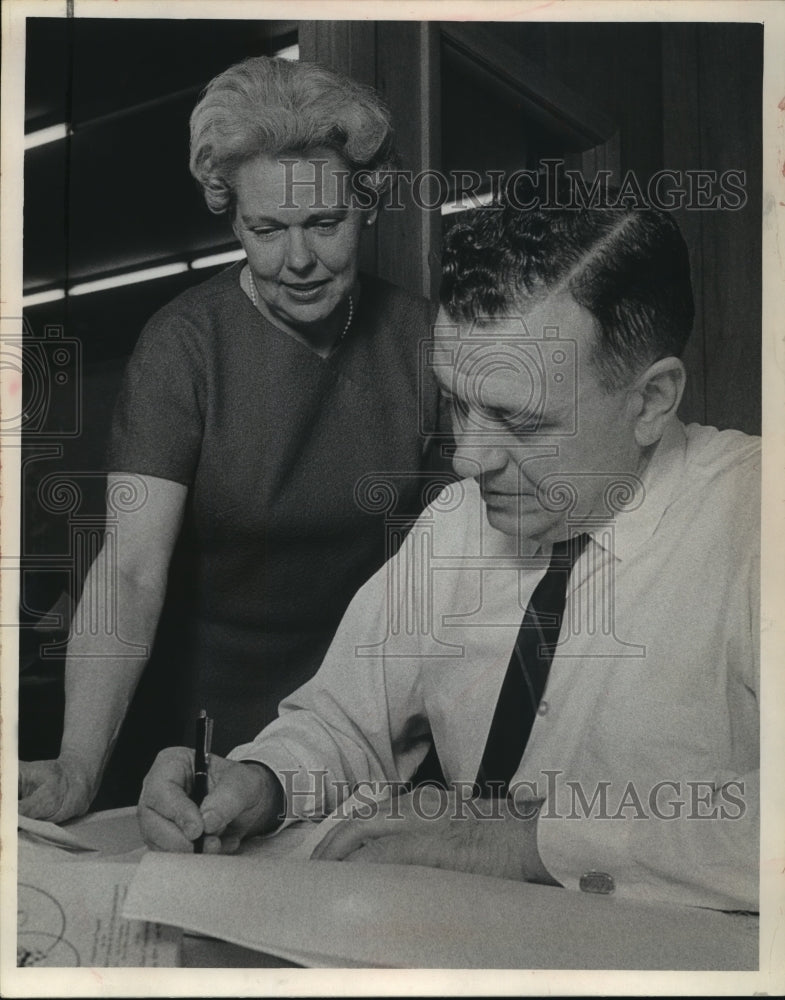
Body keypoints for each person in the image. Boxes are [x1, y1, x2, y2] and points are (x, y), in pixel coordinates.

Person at [138, 198, 759, 912]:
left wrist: (520, 840)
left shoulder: (755, 518)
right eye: (458, 405)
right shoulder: (458, 522)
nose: (467, 458)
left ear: (651, 400)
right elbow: (343, 722)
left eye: (519, 421)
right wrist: (258, 781)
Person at [18, 56, 451, 822]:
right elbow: (129, 570)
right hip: (190, 726)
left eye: (324, 223)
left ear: (369, 206)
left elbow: (451, 576)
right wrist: (80, 763)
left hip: (355, 719)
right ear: (231, 217)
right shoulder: (183, 347)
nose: (298, 260)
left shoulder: (423, 343)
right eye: (265, 229)